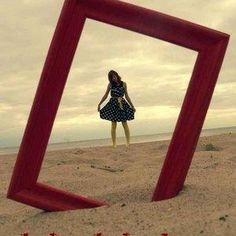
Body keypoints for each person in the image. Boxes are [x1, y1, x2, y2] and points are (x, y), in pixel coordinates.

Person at [97, 70, 136, 148]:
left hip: (122, 104)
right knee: (113, 124)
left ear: (117, 75)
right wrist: (99, 104)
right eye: (111, 77)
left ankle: (128, 142)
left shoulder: (124, 84)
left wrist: (132, 106)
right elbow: (105, 95)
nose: (113, 78)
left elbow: (127, 96)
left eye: (114, 76)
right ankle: (114, 144)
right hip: (113, 104)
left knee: (124, 123)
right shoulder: (110, 85)